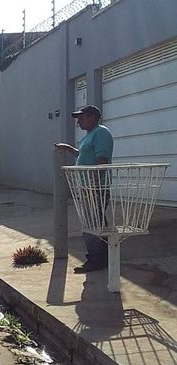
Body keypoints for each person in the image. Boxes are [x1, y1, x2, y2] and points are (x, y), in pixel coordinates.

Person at [55, 105, 114, 274]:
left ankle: (96, 260)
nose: (78, 121)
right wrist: (67, 148)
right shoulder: (90, 135)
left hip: (94, 188)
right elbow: (83, 155)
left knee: (92, 224)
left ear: (93, 117)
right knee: (95, 222)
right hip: (88, 187)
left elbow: (101, 161)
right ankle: (101, 258)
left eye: (82, 117)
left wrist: (92, 186)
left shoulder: (101, 133)